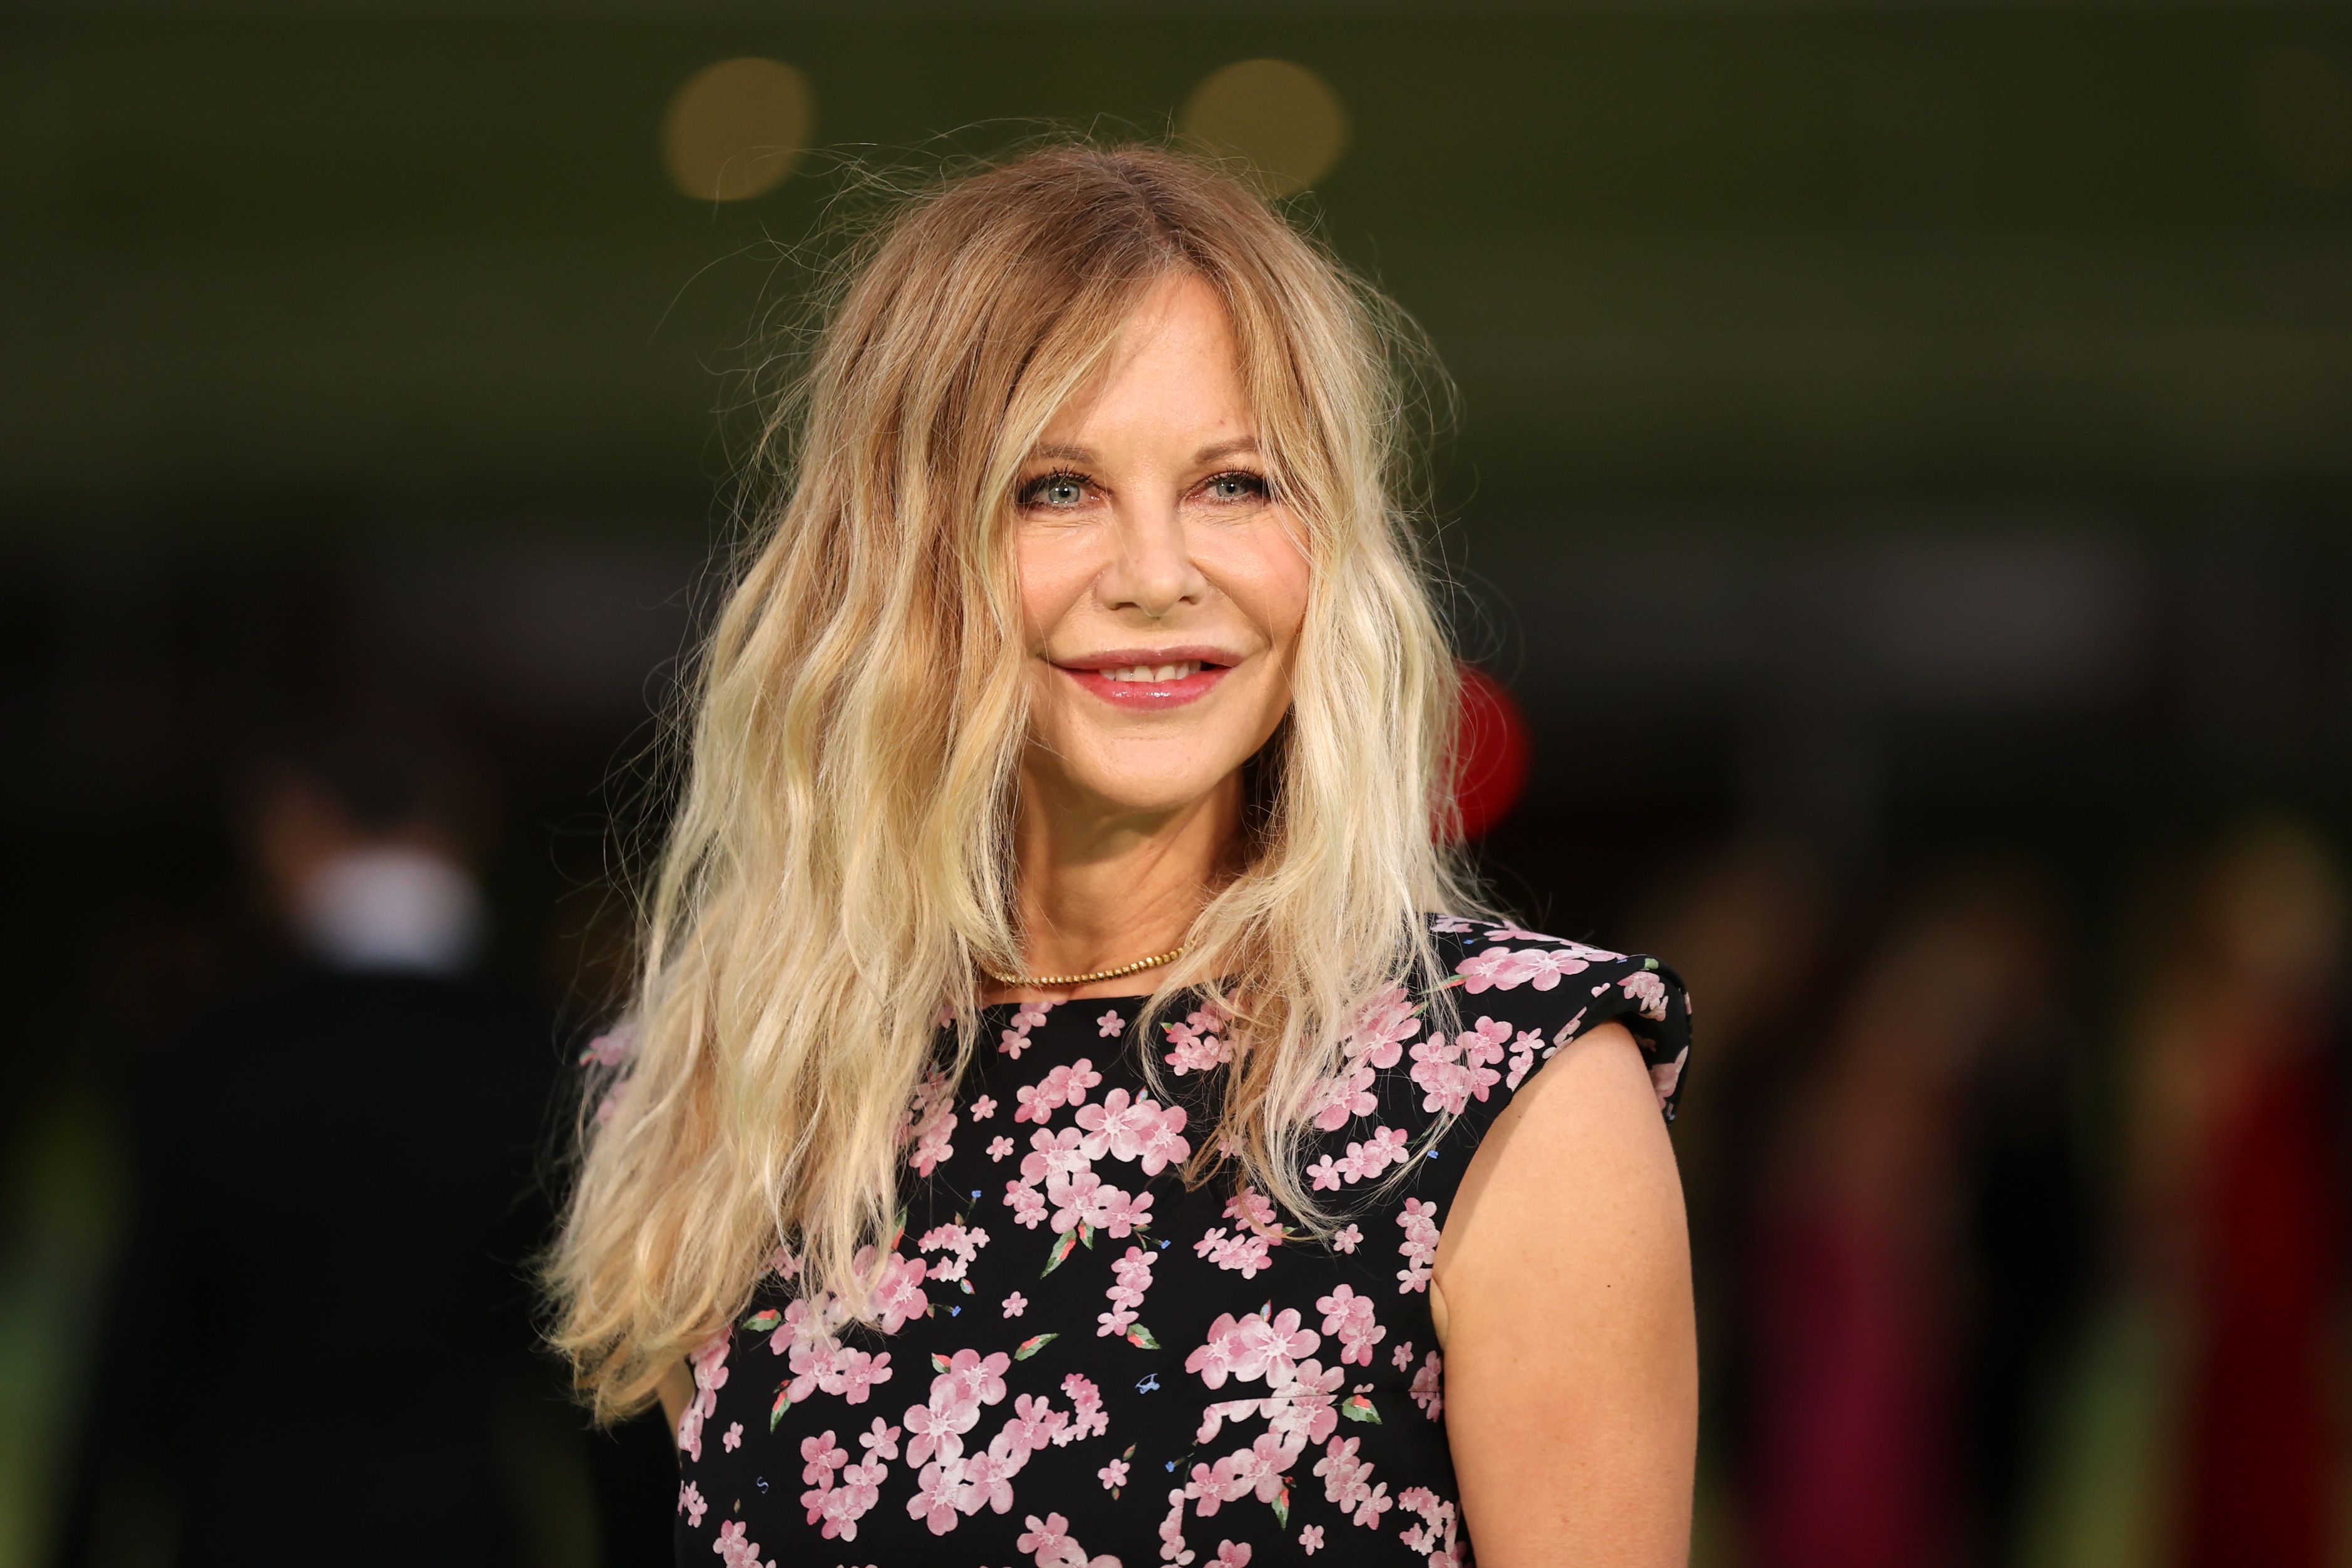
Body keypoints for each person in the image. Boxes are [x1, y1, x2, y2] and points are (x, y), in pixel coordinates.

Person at [549, 143, 1697, 1567]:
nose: (1157, 573)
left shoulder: (1509, 1085)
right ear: (903, 554)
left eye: (1234, 483)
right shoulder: (731, 1085)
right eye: (1057, 488)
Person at [58, 716, 566, 1567]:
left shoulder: (208, 1064)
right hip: (458, 1531)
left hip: (242, 1530)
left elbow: (132, 1362)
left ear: (291, 824)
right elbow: (598, 1383)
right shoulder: (543, 1063)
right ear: (476, 816)